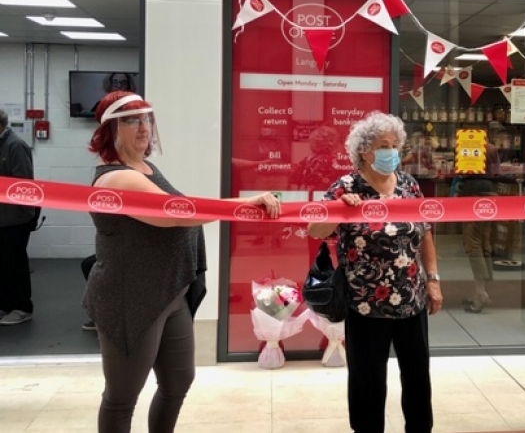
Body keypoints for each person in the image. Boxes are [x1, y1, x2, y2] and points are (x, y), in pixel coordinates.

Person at [84, 91, 280, 433]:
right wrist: (245, 203)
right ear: (110, 129)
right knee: (122, 397)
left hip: (169, 290)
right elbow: (176, 215)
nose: (143, 128)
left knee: (178, 381)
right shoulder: (117, 178)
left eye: (146, 119)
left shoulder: (144, 167)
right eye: (132, 120)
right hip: (131, 297)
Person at [308, 111, 442, 433]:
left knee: (418, 381)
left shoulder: (408, 185)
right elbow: (315, 230)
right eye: (384, 145)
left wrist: (433, 280)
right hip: (366, 304)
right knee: (368, 384)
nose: (392, 151)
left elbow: (424, 233)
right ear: (365, 151)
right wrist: (342, 209)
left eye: (395, 144)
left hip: (411, 300)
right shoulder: (346, 186)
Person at [0, 109, 36, 326]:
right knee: (2, 264)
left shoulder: (15, 145)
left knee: (15, 263)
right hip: (2, 218)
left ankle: (22, 307)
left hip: (16, 218)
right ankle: (4, 305)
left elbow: (23, 185)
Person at [456, 140, 500, 313]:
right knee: (484, 242)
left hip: (472, 192)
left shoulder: (465, 146)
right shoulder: (492, 148)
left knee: (472, 243)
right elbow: (496, 172)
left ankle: (480, 292)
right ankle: (482, 290)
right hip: (490, 191)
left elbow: (459, 171)